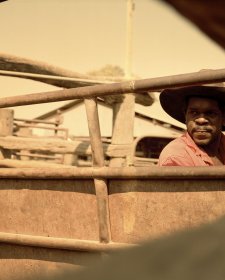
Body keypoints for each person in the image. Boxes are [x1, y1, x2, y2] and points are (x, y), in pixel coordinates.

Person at [158, 84, 225, 166]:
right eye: (194, 113)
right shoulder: (176, 157)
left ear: (223, 118)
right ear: (185, 116)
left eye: (210, 113)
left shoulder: (222, 143)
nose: (201, 120)